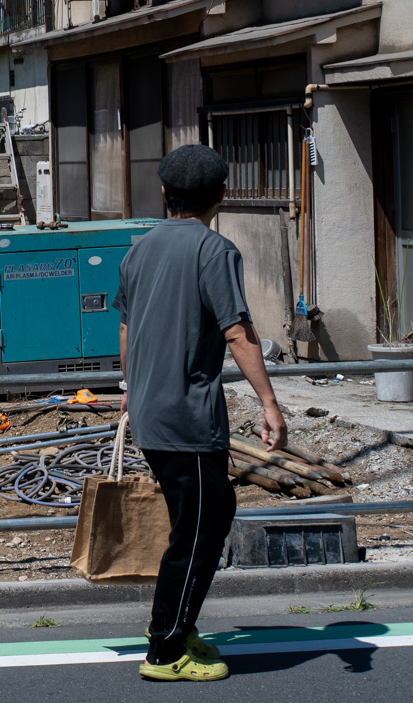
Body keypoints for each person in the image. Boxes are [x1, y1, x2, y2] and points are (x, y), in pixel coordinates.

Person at [114, 144, 285, 683]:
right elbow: (237, 330)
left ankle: (178, 626)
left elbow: (124, 327)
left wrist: (129, 387)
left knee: (200, 519)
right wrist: (270, 402)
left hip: (148, 409)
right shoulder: (216, 251)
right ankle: (165, 647)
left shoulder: (137, 249)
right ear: (222, 196)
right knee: (203, 525)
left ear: (164, 192)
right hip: (186, 415)